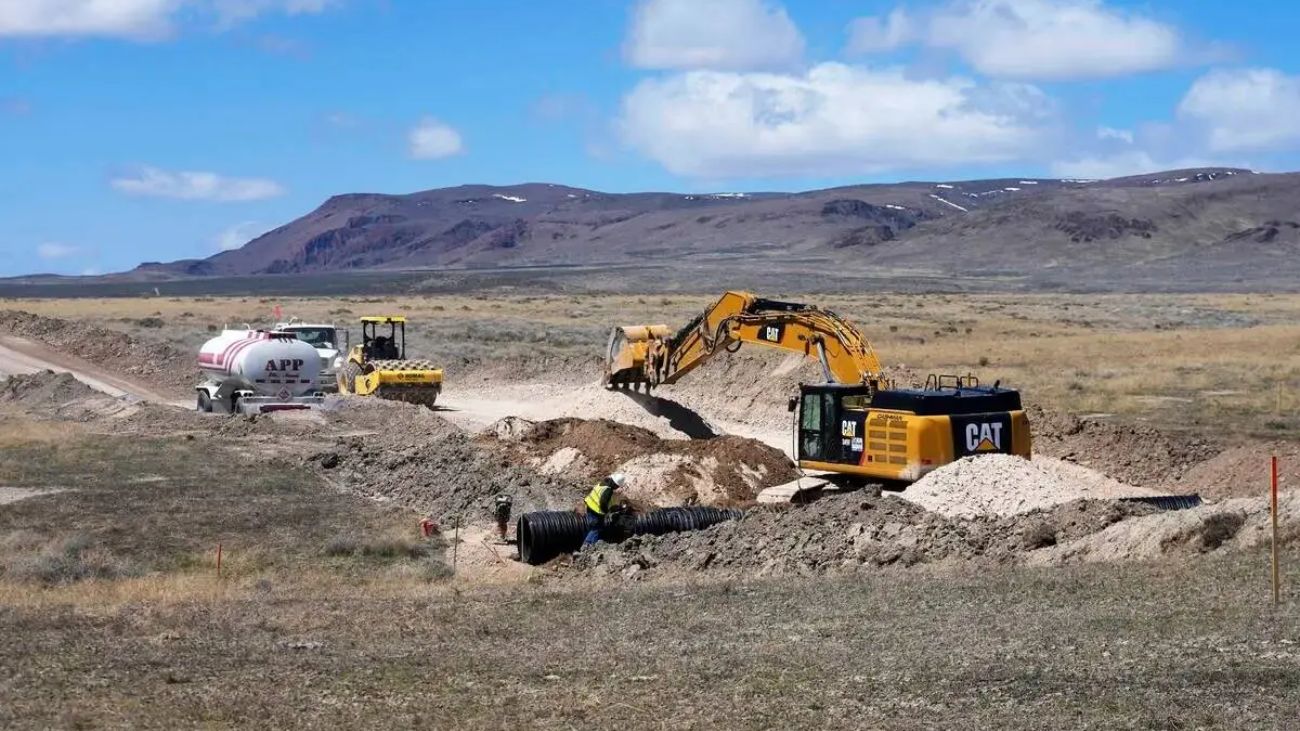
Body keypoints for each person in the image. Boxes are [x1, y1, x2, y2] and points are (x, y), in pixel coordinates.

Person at [582, 472, 626, 546]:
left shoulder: (602, 483)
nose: (616, 488)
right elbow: (603, 502)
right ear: (615, 484)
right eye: (617, 486)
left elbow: (604, 500)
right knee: (596, 529)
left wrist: (615, 508)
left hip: (589, 507)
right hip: (596, 512)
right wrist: (606, 513)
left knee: (591, 526)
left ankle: (588, 542)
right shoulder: (608, 490)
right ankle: (587, 546)